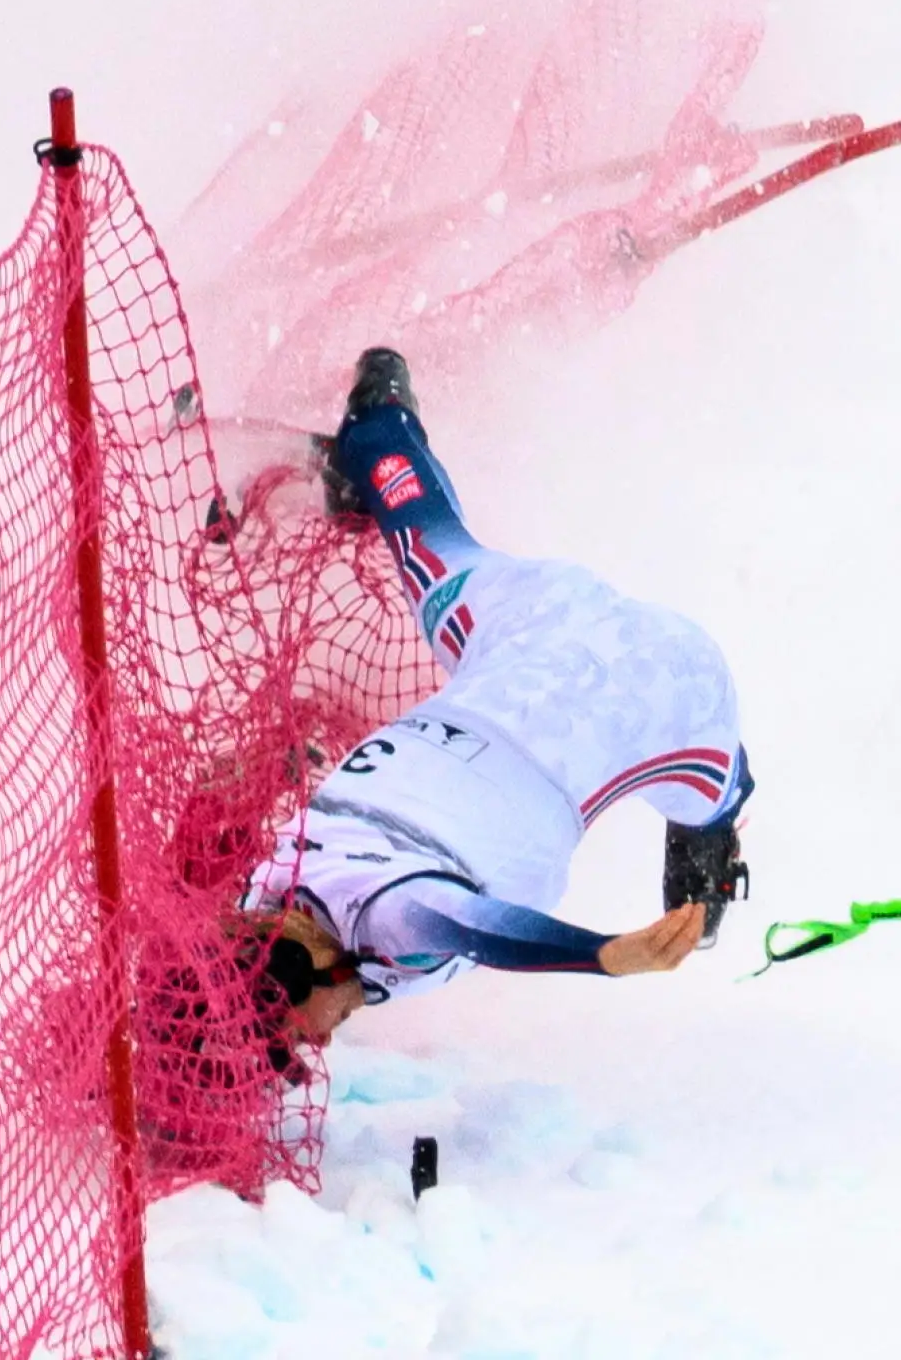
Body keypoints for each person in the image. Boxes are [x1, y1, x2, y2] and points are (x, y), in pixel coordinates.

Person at [247, 348, 752, 1045]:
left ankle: (712, 841)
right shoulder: (262, 896)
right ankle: (376, 430)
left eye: (299, 1033)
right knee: (428, 549)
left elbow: (483, 929)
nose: (319, 1043)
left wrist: (606, 955)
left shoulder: (393, 915)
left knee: (711, 806)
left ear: (306, 965)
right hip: (523, 620)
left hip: (655, 689)